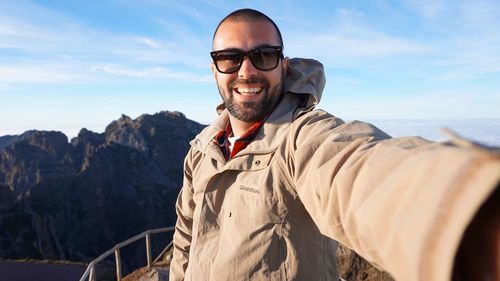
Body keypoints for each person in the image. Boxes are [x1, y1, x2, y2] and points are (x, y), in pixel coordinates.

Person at [169, 8, 500, 281]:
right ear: (214, 70)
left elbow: (354, 168)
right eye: (230, 58)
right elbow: (186, 237)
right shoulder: (201, 150)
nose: (246, 70)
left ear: (283, 66)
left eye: (263, 55)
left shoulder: (300, 138)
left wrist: (467, 204)